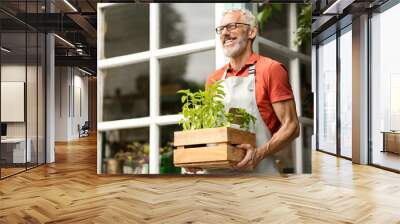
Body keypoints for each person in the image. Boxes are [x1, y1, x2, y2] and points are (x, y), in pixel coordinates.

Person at [186, 8, 300, 174]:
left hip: (260, 175)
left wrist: (259, 154)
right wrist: (196, 155)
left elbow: (292, 126)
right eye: (221, 29)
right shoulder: (214, 79)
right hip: (217, 178)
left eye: (232, 26)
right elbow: (212, 131)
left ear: (252, 32)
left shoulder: (271, 70)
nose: (225, 33)